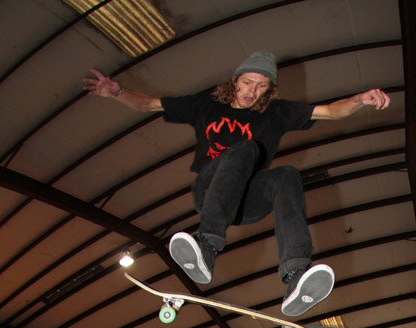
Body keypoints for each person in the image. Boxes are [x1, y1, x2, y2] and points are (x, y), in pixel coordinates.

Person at [83, 55, 390, 312]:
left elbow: (329, 112)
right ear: (235, 80)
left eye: (261, 86)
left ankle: (296, 273)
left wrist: (359, 100)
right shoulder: (206, 105)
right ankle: (207, 246)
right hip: (210, 190)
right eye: (247, 82)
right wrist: (117, 92)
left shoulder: (276, 112)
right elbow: (149, 104)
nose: (252, 91)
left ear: (268, 89)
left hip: (248, 202)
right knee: (245, 148)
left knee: (286, 175)